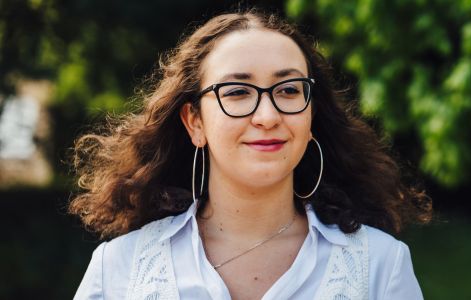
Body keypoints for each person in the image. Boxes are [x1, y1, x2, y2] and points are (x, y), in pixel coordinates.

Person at [71, 9, 432, 300]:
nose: (268, 117)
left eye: (289, 90)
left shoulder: (380, 265)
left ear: (311, 116)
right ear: (194, 121)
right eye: (237, 92)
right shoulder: (119, 268)